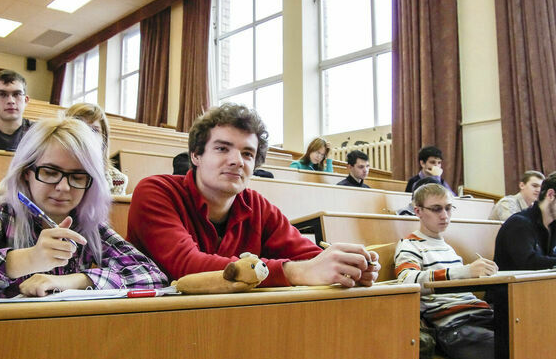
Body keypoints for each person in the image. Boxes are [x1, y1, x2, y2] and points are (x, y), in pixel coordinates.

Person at [127, 103, 379, 287]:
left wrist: (346, 266)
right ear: (196, 155)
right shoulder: (155, 192)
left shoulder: (257, 206)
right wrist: (297, 272)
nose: (237, 161)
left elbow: (311, 258)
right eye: (222, 148)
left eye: (247, 154)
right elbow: (187, 266)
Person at [0, 117, 167, 299]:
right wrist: (25, 260)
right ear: (26, 173)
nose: (63, 187)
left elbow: (151, 275)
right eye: (50, 172)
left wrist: (75, 281)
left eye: (78, 176)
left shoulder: (87, 226)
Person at [394, 183, 498, 359]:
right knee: (508, 349)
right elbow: (408, 281)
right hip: (453, 326)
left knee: (532, 334)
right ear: (418, 211)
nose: (444, 215)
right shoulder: (409, 245)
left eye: (448, 208)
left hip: (481, 315)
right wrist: (466, 271)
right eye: (436, 209)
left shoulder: (448, 248)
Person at [64, 102, 128, 195]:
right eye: (80, 127)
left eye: (94, 130)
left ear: (103, 139)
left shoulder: (117, 180)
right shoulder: (52, 168)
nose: (88, 134)